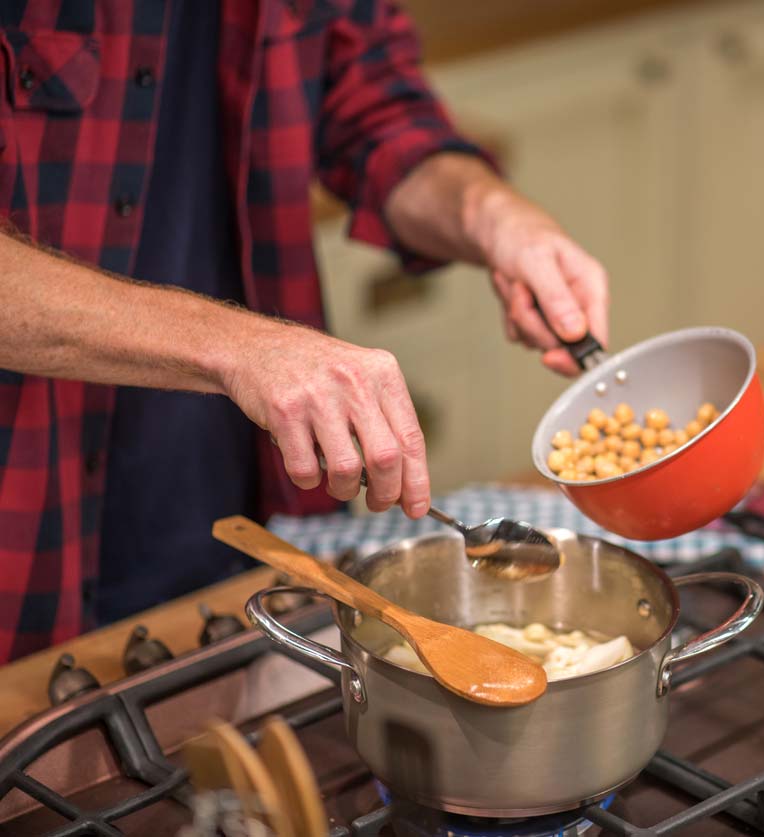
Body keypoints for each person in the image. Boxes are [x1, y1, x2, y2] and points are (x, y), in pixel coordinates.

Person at [0, 1, 609, 662]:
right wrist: (238, 347)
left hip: (242, 514)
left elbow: (372, 103)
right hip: (26, 547)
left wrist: (490, 214)